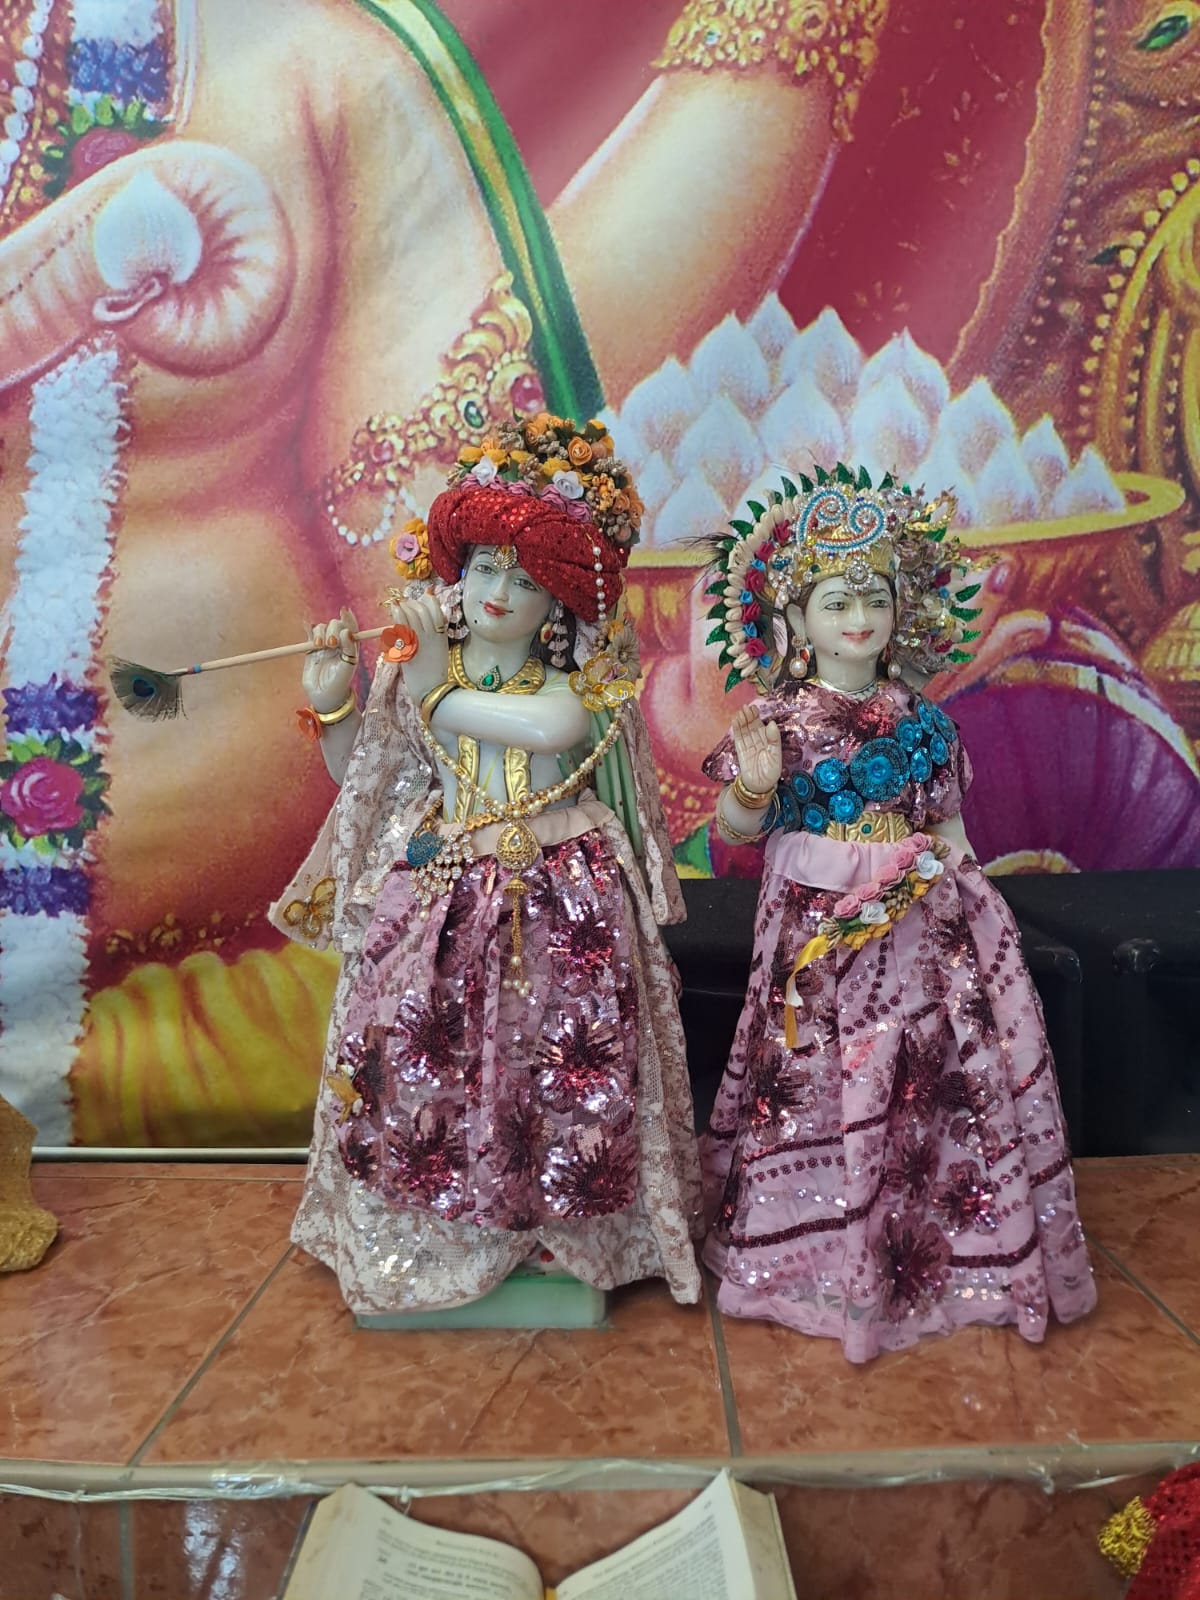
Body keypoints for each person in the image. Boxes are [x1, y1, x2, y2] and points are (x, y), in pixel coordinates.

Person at [271, 415, 701, 1314]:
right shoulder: (425, 673)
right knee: (431, 1063)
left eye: (525, 578)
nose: (499, 593)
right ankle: (445, 1231)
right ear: (456, 573)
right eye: (483, 569)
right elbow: (365, 775)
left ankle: (552, 1233)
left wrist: (431, 684)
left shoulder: (574, 688)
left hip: (560, 894)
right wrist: (335, 703)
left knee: (556, 1064)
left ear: (560, 600)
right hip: (444, 887)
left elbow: (546, 730)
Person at [699, 465, 1097, 1362]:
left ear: (900, 613)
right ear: (795, 619)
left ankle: (929, 1245)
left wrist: (977, 908)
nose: (859, 618)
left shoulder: (925, 722)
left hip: (918, 924)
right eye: (837, 601)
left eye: (875, 599)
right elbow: (736, 830)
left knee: (915, 1070)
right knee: (815, 1072)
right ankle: (809, 1250)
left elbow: (950, 829)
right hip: (815, 926)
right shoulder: (778, 721)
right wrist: (755, 788)